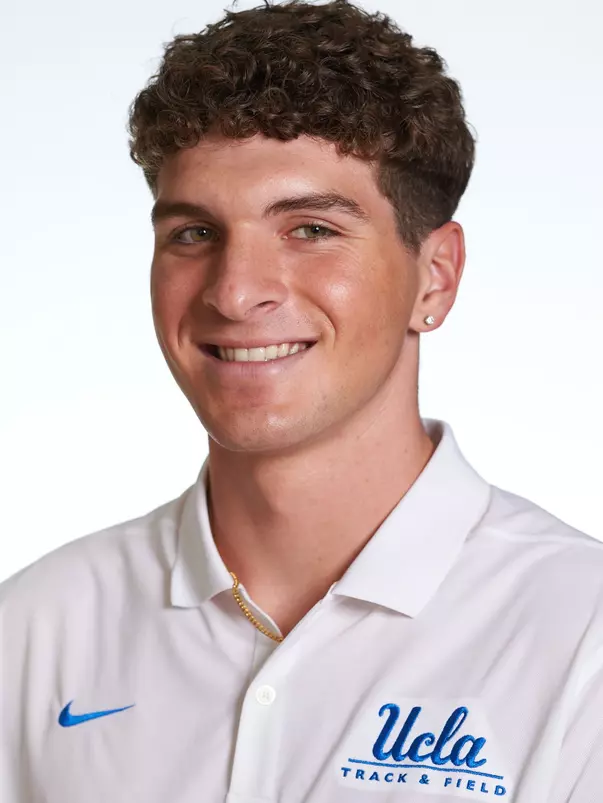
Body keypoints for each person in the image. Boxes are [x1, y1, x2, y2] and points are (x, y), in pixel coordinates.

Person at [1, 0, 601, 800]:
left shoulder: (579, 637)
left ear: (436, 274)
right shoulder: (37, 628)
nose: (236, 292)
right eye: (192, 233)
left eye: (310, 229)